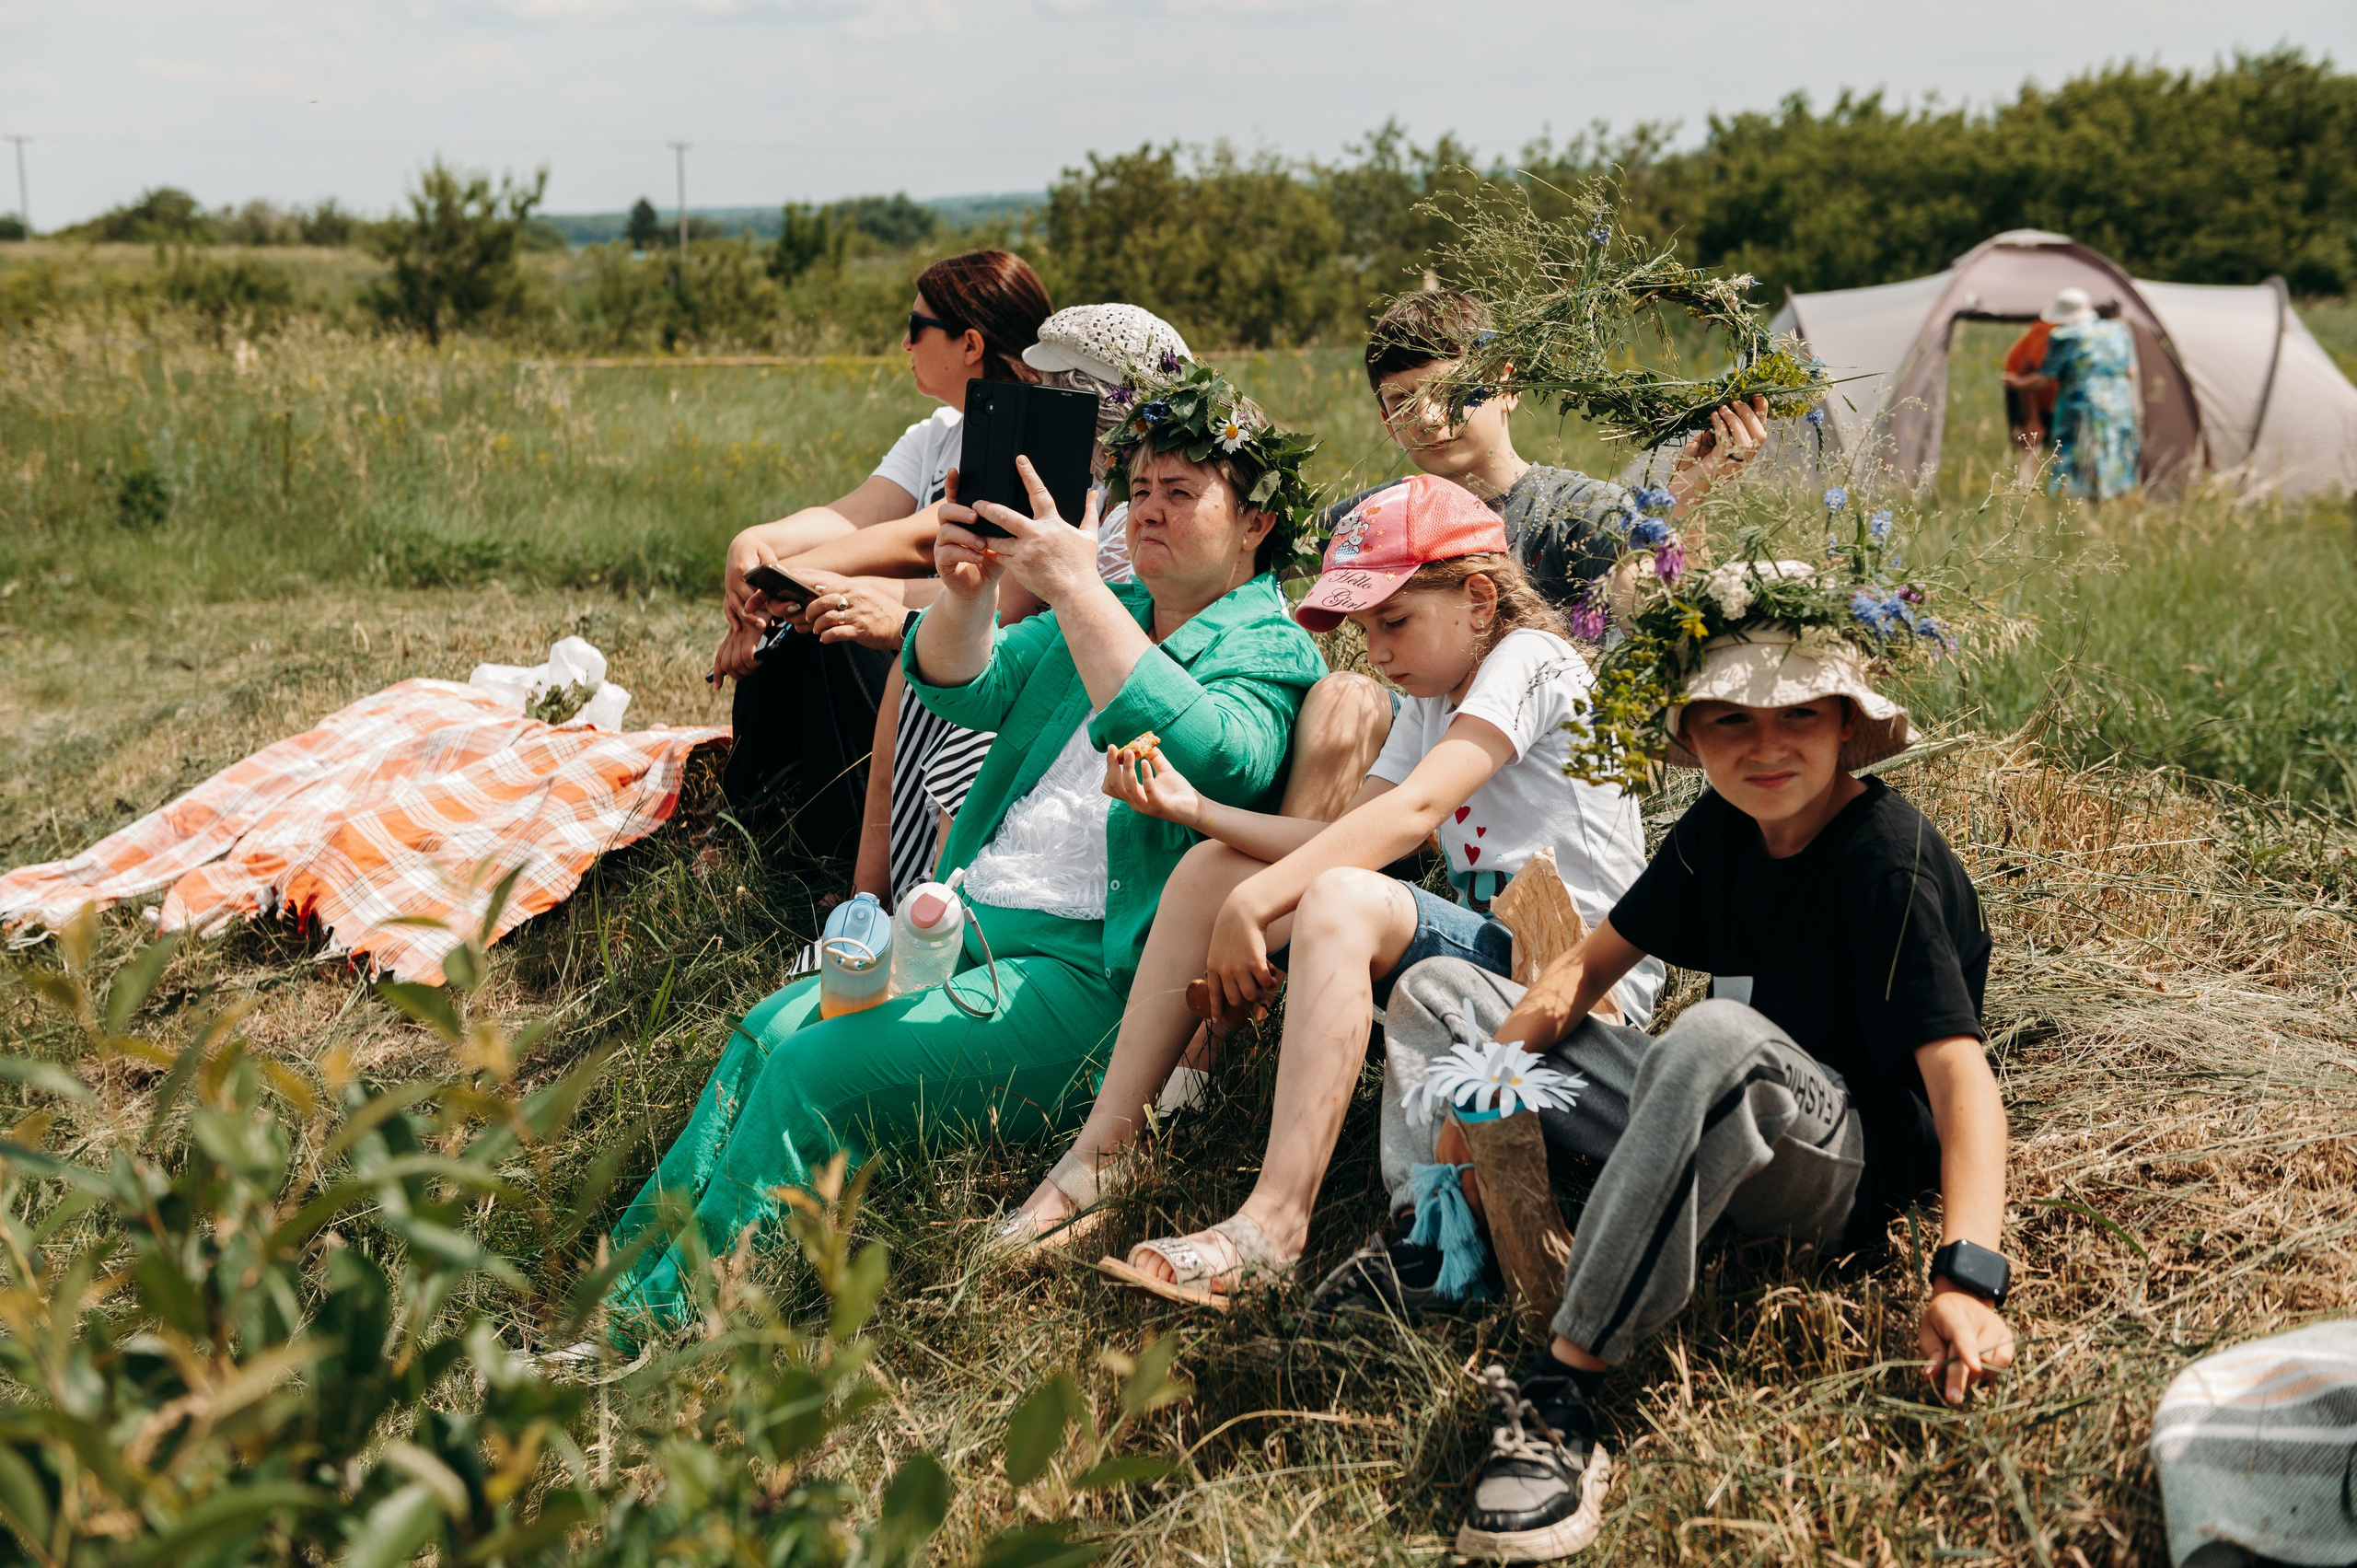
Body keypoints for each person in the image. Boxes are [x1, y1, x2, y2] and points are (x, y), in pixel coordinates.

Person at [599, 366, 1329, 1337]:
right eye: (1139, 490)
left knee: (813, 1076)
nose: (1148, 512)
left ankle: (662, 1326)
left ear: (1255, 527)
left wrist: (1074, 585)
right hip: (970, 925)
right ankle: (619, 1283)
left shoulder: (1267, 647)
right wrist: (966, 594)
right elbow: (959, 681)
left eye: (1181, 493)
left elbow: (1222, 753)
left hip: (1090, 975)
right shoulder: (1104, 611)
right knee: (762, 1037)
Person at [1349, 563, 2012, 1561]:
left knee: (1712, 1041)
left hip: (1833, 1168)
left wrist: (1968, 1273)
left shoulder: (1889, 861)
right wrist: (1482, 1088)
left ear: (1843, 720)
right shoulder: (1721, 831)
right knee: (1446, 993)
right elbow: (1577, 970)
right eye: (1729, 721)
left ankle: (1562, 1391)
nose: (1766, 745)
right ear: (1693, 738)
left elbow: (1963, 1083)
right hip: (1712, 1102)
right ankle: (1437, 1236)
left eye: (1796, 714)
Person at [997, 474, 1660, 1305]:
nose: (1376, 651)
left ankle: (1273, 1224)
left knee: (1337, 897)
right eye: (1365, 628)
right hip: (1494, 961)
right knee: (1211, 869)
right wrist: (1198, 811)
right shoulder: (1433, 694)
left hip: (1578, 985)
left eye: (1393, 620)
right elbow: (1338, 833)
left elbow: (1415, 814)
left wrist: (1260, 904)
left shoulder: (1532, 659)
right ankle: (1103, 1153)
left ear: (1481, 598)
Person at [1272, 292, 1772, 820]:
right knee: (1346, 698)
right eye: (1403, 401)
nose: (1430, 416)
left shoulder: (1579, 510)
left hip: (1539, 771)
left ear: (1505, 385)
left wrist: (1685, 508)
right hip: (1418, 755)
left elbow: (1662, 620)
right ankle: (1287, 887)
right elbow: (1259, 558)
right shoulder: (1380, 514)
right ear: (1384, 417)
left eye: (1450, 390)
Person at [713, 250, 1052, 865]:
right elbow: (857, 513)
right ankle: (753, 822)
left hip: (968, 670)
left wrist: (793, 582)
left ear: (970, 343)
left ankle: (827, 852)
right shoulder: (936, 434)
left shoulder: (1029, 446)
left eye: (917, 326)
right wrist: (758, 542)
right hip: (911, 646)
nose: (904, 342)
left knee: (827, 630)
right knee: (805, 622)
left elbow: (923, 536)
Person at [2005, 286, 2141, 501]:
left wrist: (2016, 383)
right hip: (2120, 404)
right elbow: (2131, 370)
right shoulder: (2117, 330)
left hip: (2084, 404)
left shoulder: (2063, 336)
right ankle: (2114, 497)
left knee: (2079, 455)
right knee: (2114, 451)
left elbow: (2043, 379)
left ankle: (2074, 501)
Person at [2001, 317, 2056, 485]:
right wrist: (2031, 418)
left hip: (2048, 393)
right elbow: (2024, 373)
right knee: (2032, 439)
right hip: (2022, 387)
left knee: (2055, 442)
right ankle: (2025, 489)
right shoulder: (2049, 333)